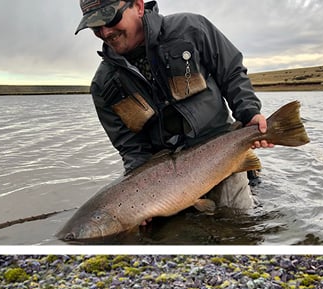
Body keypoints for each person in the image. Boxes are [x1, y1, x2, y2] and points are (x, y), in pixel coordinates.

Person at [74, 0, 270, 211]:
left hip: (219, 153)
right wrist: (138, 202)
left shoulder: (191, 28)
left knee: (238, 225)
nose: (105, 32)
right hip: (165, 181)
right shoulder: (103, 85)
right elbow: (131, 147)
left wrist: (249, 112)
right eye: (95, 27)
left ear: (139, 6)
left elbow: (231, 73)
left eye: (110, 18)